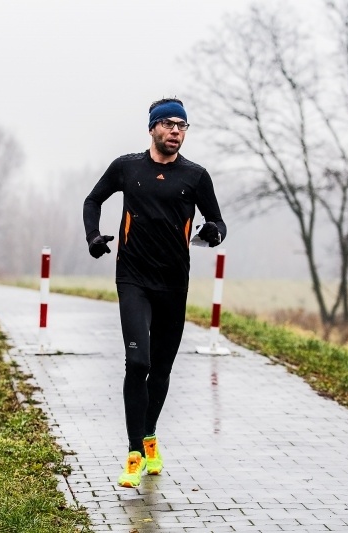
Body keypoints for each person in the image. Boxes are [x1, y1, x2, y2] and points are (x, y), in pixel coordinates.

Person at [82, 97, 227, 488]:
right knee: (139, 364)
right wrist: (93, 236)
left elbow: (217, 220)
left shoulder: (196, 176)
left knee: (161, 370)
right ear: (152, 128)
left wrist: (213, 232)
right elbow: (93, 199)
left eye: (182, 125)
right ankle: (132, 453)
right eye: (168, 124)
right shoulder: (127, 168)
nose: (176, 131)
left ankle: (149, 439)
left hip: (173, 284)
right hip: (133, 279)